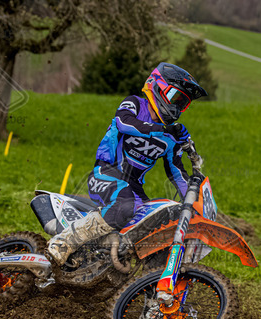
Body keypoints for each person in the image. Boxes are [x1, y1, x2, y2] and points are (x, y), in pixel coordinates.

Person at [47, 62, 208, 265]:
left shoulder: (171, 136)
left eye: (183, 103)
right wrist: (162, 130)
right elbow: (123, 122)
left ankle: (148, 281)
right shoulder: (135, 104)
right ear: (158, 86)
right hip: (106, 174)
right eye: (175, 98)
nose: (177, 107)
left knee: (157, 224)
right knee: (124, 206)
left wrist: (194, 204)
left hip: (134, 187)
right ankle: (62, 243)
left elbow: (177, 173)